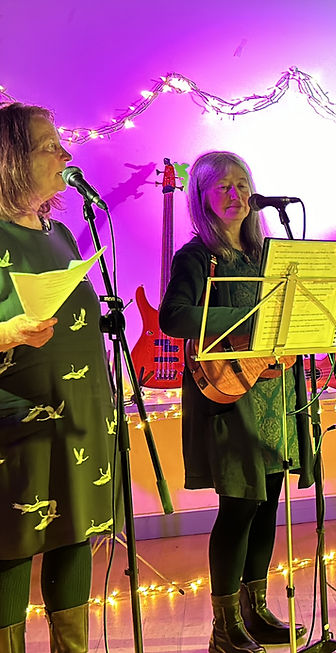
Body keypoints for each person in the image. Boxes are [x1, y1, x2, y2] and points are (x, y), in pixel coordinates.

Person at [160, 151, 313, 653]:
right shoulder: (194, 256)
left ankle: (255, 609)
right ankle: (223, 628)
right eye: (222, 185)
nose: (235, 193)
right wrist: (245, 311)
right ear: (202, 196)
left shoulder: (268, 254)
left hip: (274, 390)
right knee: (239, 507)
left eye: (242, 184)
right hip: (228, 395)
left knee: (267, 504)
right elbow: (174, 318)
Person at [0, 102, 119, 652]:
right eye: (50, 145)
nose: (66, 156)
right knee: (12, 543)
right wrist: (10, 331)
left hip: (79, 412)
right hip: (15, 422)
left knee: (75, 535)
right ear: (12, 158)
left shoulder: (63, 233)